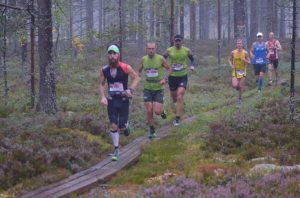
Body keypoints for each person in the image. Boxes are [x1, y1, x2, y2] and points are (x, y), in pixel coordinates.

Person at [99, 44, 139, 161]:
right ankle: (116, 150)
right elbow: (101, 84)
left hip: (123, 100)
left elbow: (136, 78)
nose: (112, 56)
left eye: (114, 53)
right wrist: (102, 97)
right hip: (111, 100)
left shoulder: (125, 67)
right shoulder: (104, 70)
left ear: (118, 55)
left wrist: (130, 90)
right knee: (113, 124)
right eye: (110, 54)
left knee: (121, 125)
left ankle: (126, 126)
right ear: (107, 55)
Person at [138, 42, 171, 139]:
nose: (151, 50)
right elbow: (138, 71)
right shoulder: (143, 60)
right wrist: (137, 76)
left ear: (155, 49)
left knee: (156, 111)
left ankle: (162, 112)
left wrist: (165, 79)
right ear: (147, 49)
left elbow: (169, 69)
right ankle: (152, 130)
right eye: (149, 48)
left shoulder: (160, 59)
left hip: (158, 89)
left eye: (153, 48)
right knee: (149, 109)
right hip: (148, 88)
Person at [163, 35, 195, 126]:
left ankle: (177, 118)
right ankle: (178, 107)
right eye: (176, 41)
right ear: (174, 41)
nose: (177, 42)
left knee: (179, 96)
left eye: (179, 41)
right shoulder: (169, 50)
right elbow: (162, 59)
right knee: (174, 98)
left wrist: (192, 66)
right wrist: (166, 67)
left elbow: (192, 59)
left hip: (182, 76)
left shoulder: (186, 50)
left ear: (182, 41)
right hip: (172, 76)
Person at [228, 39, 251, 106]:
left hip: (242, 71)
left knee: (240, 86)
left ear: (242, 45)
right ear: (236, 45)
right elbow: (229, 59)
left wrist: (245, 60)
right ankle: (238, 88)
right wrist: (231, 65)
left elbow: (249, 62)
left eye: (240, 43)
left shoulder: (245, 53)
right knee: (235, 85)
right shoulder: (233, 52)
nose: (239, 45)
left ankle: (239, 99)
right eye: (238, 43)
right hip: (235, 71)